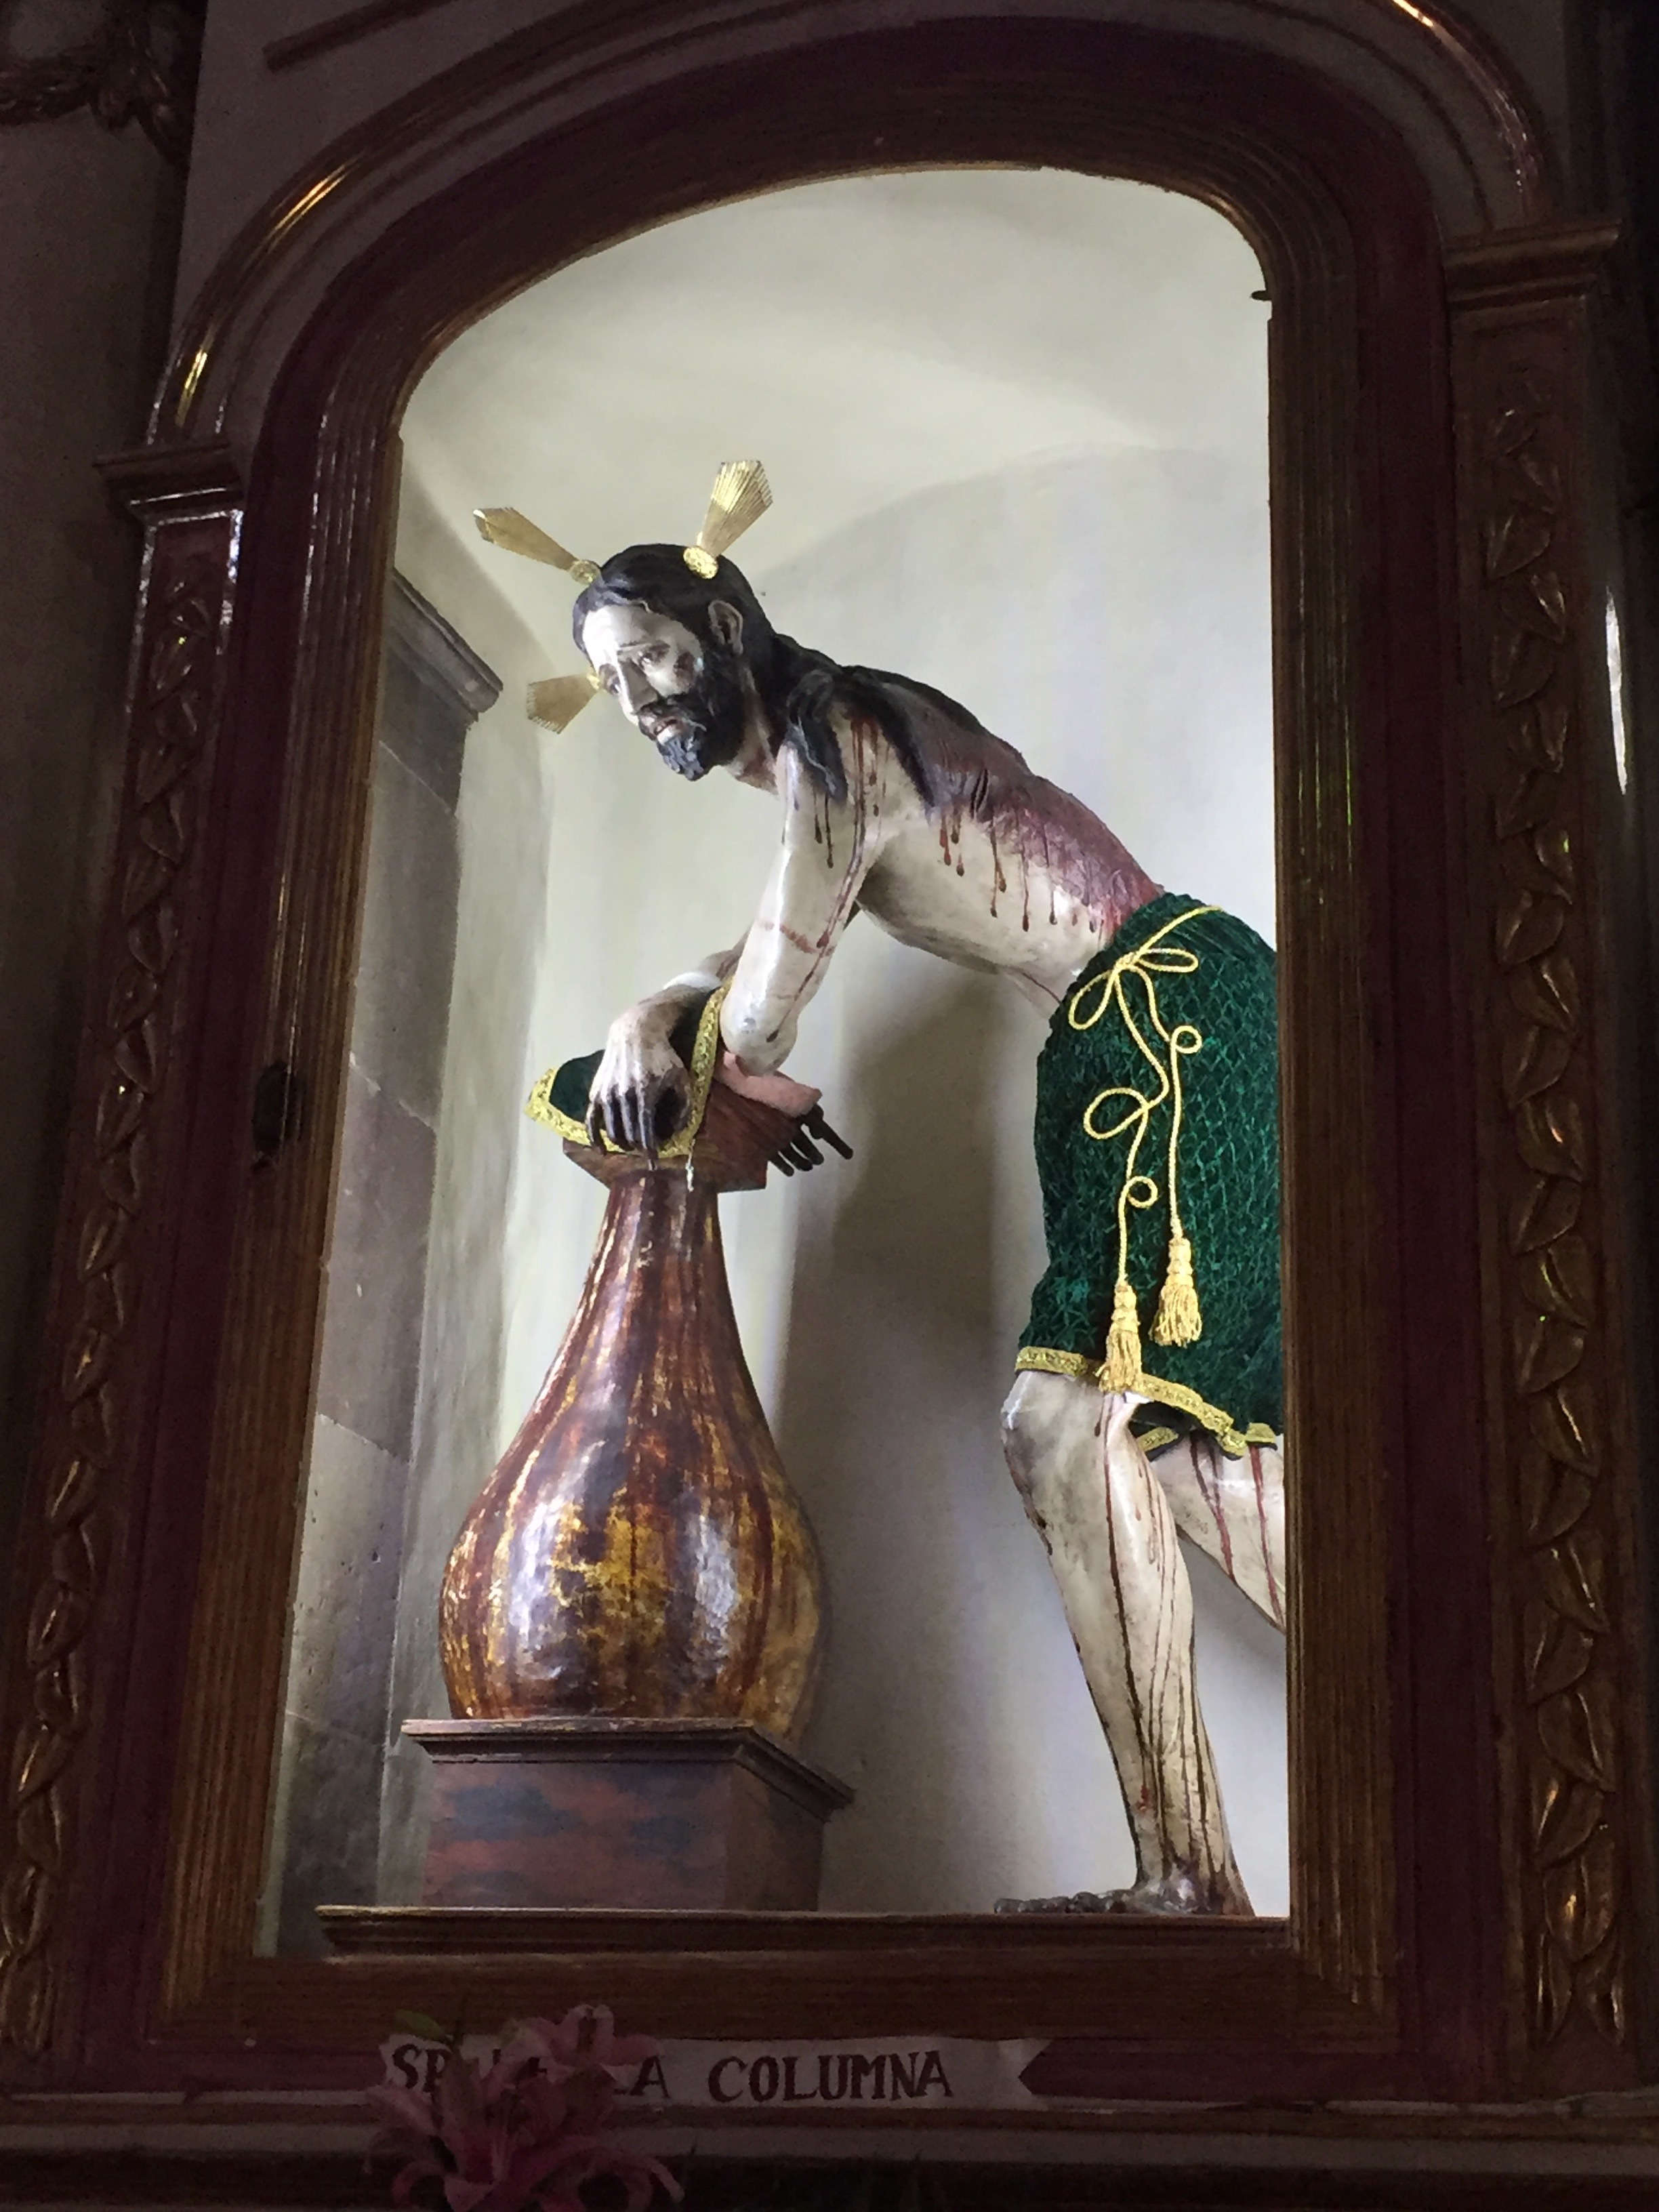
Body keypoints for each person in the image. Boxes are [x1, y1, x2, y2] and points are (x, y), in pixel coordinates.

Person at [487, 487, 1283, 1914]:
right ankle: (1235, 1849)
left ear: (726, 624)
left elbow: (765, 1004)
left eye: (654, 656)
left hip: (1167, 1020)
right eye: (611, 684)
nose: (642, 700)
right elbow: (758, 950)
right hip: (1123, 1036)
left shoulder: (835, 731)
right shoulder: (828, 762)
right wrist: (646, 1014)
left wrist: (675, 1033)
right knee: (1150, 1455)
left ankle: (1206, 1869)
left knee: (1068, 1430)